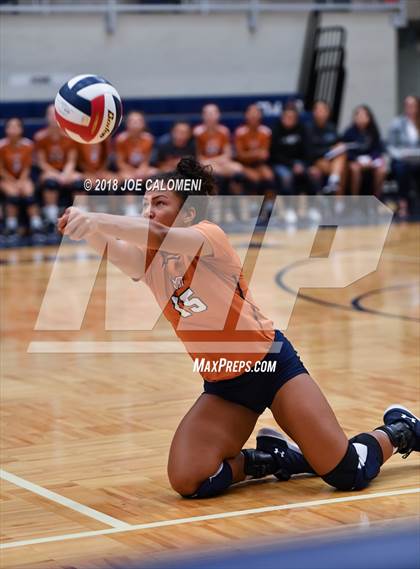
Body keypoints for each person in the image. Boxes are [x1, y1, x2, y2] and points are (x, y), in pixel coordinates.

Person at [58, 156, 419, 500]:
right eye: (145, 203)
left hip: (272, 368)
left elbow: (151, 231)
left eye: (160, 202)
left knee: (345, 473)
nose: (149, 210)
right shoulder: (151, 262)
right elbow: (113, 246)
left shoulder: (207, 236)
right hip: (226, 386)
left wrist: (97, 218)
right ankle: (272, 460)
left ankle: (399, 431)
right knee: (188, 479)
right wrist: (81, 226)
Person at [34, 104, 81, 231]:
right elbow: (41, 163)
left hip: (66, 170)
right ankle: (51, 221)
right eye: (51, 114)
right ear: (46, 117)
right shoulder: (40, 137)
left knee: (79, 182)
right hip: (49, 171)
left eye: (57, 113)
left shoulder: (69, 135)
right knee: (50, 182)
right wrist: (57, 175)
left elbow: (72, 160)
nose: (54, 117)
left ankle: (81, 218)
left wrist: (65, 174)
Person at [194, 104, 243, 222]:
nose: (210, 116)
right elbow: (198, 158)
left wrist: (217, 161)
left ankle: (237, 212)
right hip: (204, 164)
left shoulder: (224, 131)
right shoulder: (197, 132)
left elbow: (228, 154)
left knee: (239, 170)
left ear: (218, 115)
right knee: (217, 175)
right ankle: (215, 212)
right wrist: (215, 162)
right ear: (203, 116)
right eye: (207, 113)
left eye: (213, 113)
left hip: (219, 163)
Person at [0, 117, 44, 243]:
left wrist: (21, 181)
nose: (13, 129)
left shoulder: (28, 145)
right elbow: (1, 169)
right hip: (6, 178)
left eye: (16, 126)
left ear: (21, 129)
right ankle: (11, 227)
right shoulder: (2, 146)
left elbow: (27, 167)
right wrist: (13, 182)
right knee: (13, 194)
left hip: (23, 178)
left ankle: (37, 226)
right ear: (6, 129)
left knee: (29, 193)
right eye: (10, 126)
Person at [269, 102, 313, 223]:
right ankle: (288, 209)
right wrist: (292, 165)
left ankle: (311, 208)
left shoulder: (302, 129)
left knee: (312, 174)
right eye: (286, 117)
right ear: (282, 117)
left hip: (299, 162)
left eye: (292, 117)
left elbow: (307, 150)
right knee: (286, 177)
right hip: (280, 163)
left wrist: (303, 164)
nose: (289, 120)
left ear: (296, 118)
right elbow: (274, 154)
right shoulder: (276, 129)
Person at [115, 111, 157, 216]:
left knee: (157, 174)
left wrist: (142, 170)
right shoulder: (121, 139)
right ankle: (130, 208)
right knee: (128, 179)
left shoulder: (148, 139)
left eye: (138, 121)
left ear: (143, 124)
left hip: (142, 169)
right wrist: (134, 172)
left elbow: (146, 160)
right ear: (127, 124)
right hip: (127, 170)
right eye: (132, 121)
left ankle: (151, 206)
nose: (135, 124)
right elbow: (120, 163)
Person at [342, 105, 387, 197]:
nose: (361, 118)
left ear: (369, 117)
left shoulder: (373, 131)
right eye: (358, 115)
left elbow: (377, 148)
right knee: (355, 169)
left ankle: (377, 197)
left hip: (370, 160)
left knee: (382, 169)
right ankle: (354, 199)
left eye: (364, 115)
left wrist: (372, 159)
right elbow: (346, 149)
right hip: (355, 160)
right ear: (355, 118)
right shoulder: (349, 132)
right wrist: (356, 159)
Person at [388, 95, 420, 218]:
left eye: (413, 105)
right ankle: (403, 203)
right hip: (401, 159)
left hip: (418, 159)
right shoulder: (397, 123)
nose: (410, 108)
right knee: (402, 168)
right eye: (407, 105)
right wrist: (400, 155)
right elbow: (390, 145)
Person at [305, 100, 347, 196]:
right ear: (313, 112)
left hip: (332, 161)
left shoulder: (331, 128)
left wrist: (340, 146)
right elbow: (309, 152)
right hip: (317, 161)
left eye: (323, 110)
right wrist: (329, 150)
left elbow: (337, 144)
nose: (320, 112)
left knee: (342, 156)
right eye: (317, 110)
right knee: (341, 169)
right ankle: (338, 200)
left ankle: (333, 180)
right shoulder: (308, 128)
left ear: (328, 113)